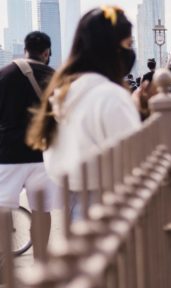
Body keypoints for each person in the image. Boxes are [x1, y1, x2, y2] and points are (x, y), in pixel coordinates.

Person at [26, 6, 148, 219]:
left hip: (72, 203)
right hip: (111, 204)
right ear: (113, 49)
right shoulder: (111, 96)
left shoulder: (64, 92)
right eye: (128, 44)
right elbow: (136, 159)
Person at [0, 31, 60, 260]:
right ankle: (41, 261)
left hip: (7, 155)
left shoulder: (4, 74)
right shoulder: (54, 77)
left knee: (3, 209)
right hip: (42, 155)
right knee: (41, 212)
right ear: (46, 53)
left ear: (25, 49)